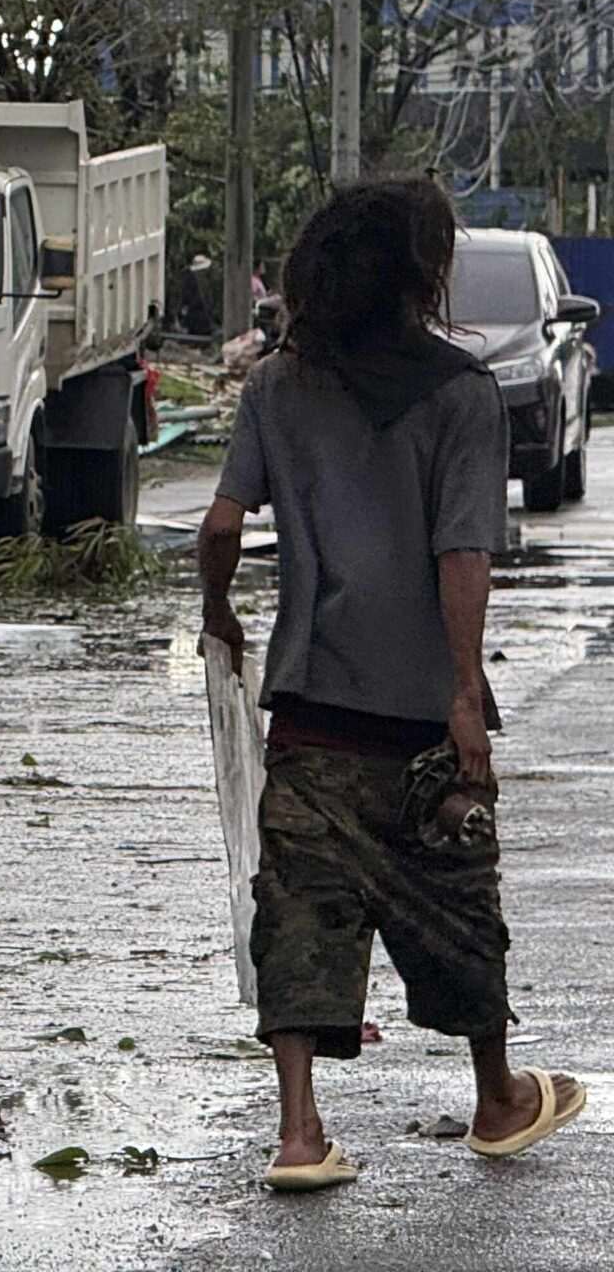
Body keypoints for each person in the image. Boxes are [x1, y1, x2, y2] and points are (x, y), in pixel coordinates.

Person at [198, 178, 584, 1193]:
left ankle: (298, 1132)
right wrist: (466, 697)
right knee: (457, 896)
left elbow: (220, 527)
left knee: (297, 908)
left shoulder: (279, 386)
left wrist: (218, 615)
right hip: (415, 709)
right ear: (421, 270)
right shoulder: (460, 395)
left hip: (310, 709)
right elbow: (462, 550)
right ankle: (497, 1098)